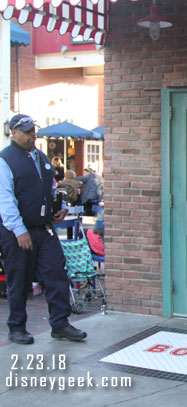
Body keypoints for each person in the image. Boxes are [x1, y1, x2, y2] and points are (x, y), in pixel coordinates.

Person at [0, 114, 87, 344]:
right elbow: (4, 199)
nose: (32, 135)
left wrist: (61, 207)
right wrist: (19, 230)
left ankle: (60, 324)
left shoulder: (41, 158)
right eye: (27, 131)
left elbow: (50, 189)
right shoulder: (5, 160)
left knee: (56, 273)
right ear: (13, 132)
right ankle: (16, 327)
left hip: (44, 228)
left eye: (33, 131)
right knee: (19, 281)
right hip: (17, 230)